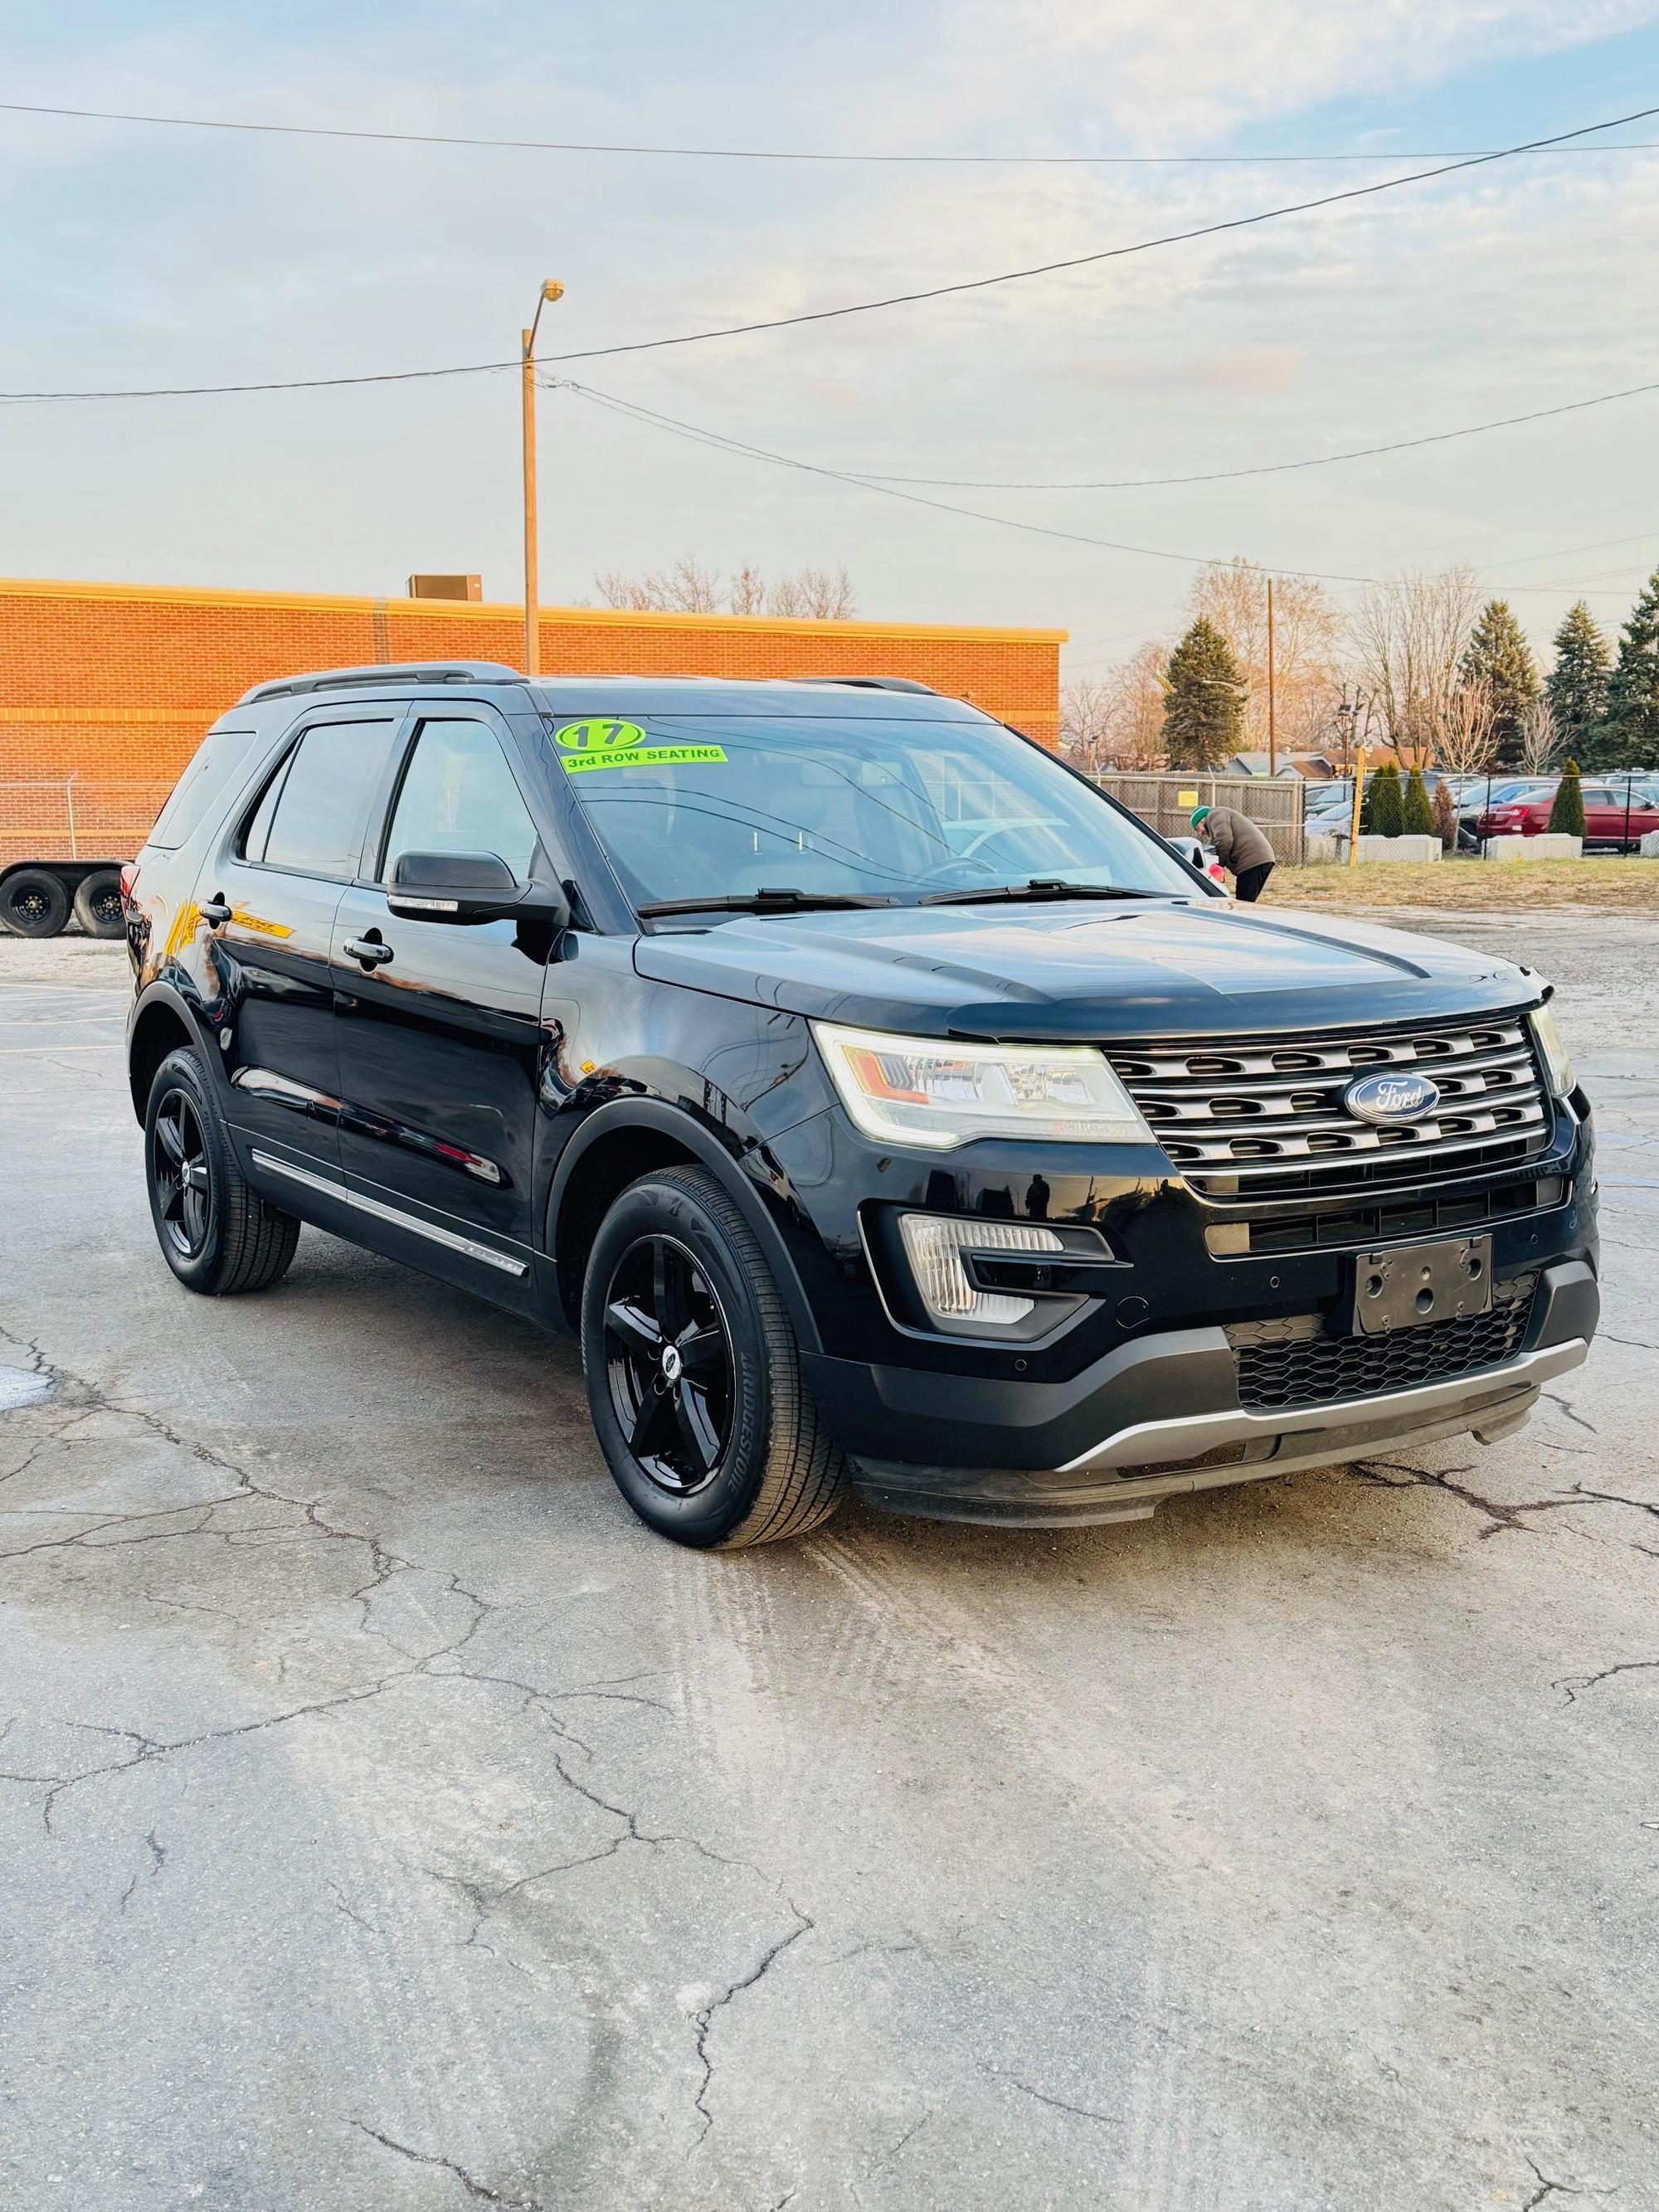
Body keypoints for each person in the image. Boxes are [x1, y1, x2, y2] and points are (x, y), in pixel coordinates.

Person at [1191, 804, 1275, 902]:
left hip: (1252, 861)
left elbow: (1224, 840)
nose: (1200, 833)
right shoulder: (1218, 819)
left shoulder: (1214, 815)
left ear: (1202, 820)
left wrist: (1218, 864)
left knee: (1243, 904)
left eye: (1197, 828)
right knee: (1247, 901)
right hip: (1260, 859)